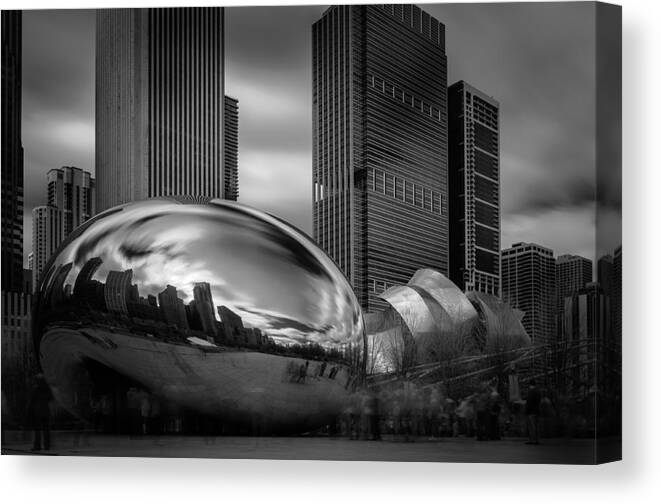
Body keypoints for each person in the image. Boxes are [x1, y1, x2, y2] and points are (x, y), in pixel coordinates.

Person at [27, 374, 52, 452]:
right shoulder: (47, 389)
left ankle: (37, 446)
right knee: (46, 430)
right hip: (46, 412)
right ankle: (47, 446)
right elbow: (50, 399)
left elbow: (32, 401)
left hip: (37, 412)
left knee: (38, 430)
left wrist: (30, 411)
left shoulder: (36, 389)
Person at [525, 379, 541, 444]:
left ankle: (532, 440)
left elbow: (529, 402)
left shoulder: (531, 392)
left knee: (531, 426)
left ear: (530, 384)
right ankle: (536, 439)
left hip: (531, 411)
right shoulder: (538, 391)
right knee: (536, 426)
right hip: (536, 410)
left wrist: (527, 410)